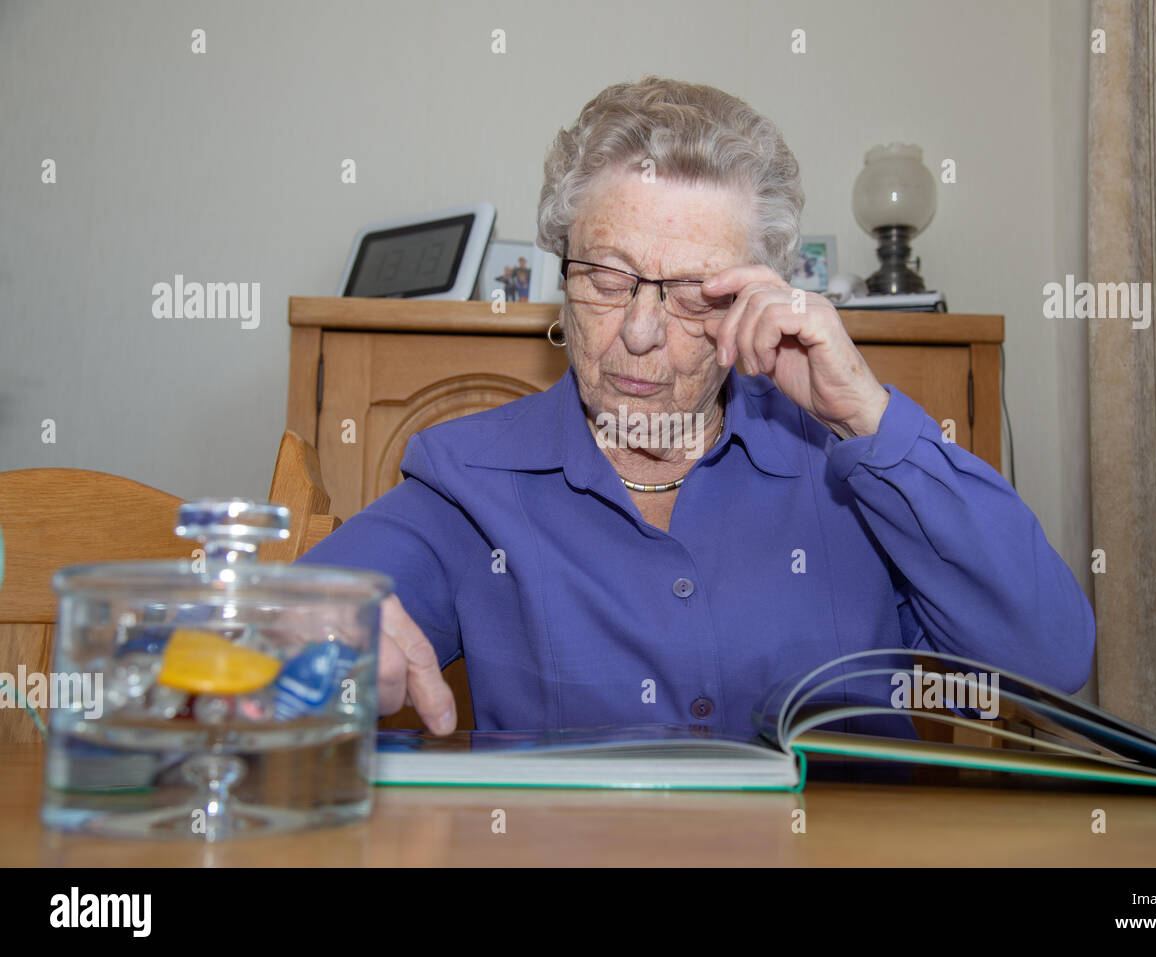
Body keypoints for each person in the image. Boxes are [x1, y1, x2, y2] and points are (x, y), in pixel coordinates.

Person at [300, 75, 1095, 738]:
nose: (639, 334)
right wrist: (310, 637)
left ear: (763, 300)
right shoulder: (470, 478)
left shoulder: (850, 472)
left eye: (694, 296)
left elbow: (1049, 660)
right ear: (561, 276)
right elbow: (300, 619)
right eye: (607, 279)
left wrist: (866, 416)